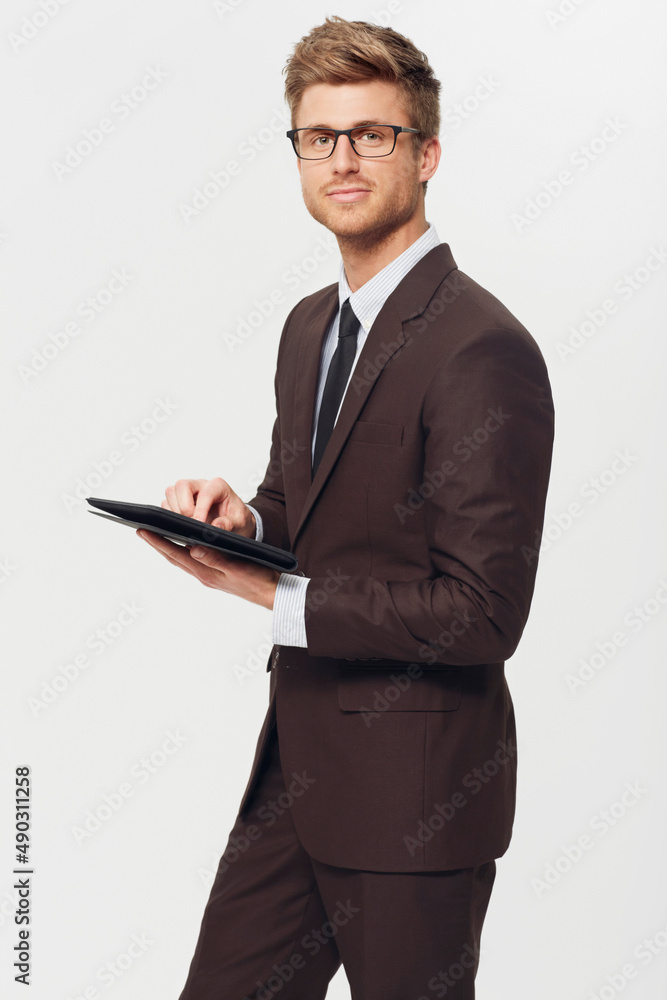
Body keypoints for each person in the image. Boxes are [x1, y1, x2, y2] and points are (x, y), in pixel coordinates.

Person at [138, 16, 555, 999]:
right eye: (319, 137)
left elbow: (481, 612)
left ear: (428, 153)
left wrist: (269, 595)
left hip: (417, 797)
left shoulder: (480, 349)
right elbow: (304, 507)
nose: (344, 158)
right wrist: (241, 523)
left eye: (373, 133)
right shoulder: (306, 327)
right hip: (297, 775)